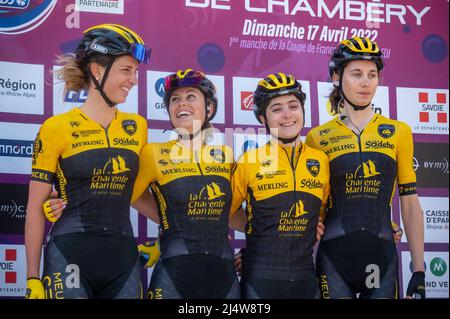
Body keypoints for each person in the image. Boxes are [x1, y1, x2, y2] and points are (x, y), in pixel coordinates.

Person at [24, 24, 151, 299]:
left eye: (136, 72)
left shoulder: (138, 126)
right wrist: (32, 277)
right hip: (70, 253)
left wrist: (177, 229)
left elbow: (138, 194)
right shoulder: (56, 127)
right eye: (126, 70)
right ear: (97, 70)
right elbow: (35, 207)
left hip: (122, 256)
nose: (134, 80)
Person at [305, 36, 425, 299]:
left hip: (381, 255)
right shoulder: (317, 137)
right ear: (337, 76)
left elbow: (410, 204)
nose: (365, 82)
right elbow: (315, 206)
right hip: (333, 259)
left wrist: (418, 269)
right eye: (356, 74)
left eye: (372, 74)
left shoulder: (398, 132)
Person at [131, 68, 241, 299]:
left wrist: (277, 235)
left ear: (209, 108)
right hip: (173, 274)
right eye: (175, 99)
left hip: (223, 275)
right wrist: (174, 222)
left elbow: (232, 214)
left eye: (191, 96)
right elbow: (126, 196)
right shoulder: (153, 153)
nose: (182, 103)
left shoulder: (226, 155)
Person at [229, 73, 330, 299]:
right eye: (276, 109)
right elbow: (222, 214)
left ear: (303, 110)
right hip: (260, 278)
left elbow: (325, 214)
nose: (287, 115)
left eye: (293, 106)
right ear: (263, 119)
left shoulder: (321, 161)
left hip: (306, 278)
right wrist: (258, 233)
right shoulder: (249, 161)